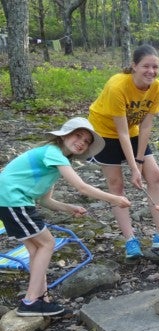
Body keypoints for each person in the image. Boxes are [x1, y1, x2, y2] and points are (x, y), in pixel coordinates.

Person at [0, 117, 131, 317]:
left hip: (13, 200)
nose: (81, 142)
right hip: (12, 199)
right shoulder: (53, 153)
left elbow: (45, 200)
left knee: (37, 249)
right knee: (47, 243)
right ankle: (30, 301)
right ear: (64, 136)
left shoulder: (57, 159)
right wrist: (115, 199)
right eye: (78, 136)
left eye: (86, 141)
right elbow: (81, 187)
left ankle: (41, 299)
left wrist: (69, 208)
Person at [88, 44, 159, 259]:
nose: (151, 71)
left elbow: (145, 126)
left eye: (155, 67)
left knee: (154, 175)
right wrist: (133, 168)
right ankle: (130, 240)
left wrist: (139, 162)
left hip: (133, 130)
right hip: (104, 133)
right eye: (146, 66)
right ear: (134, 66)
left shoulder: (157, 87)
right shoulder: (117, 85)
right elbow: (121, 134)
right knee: (116, 184)